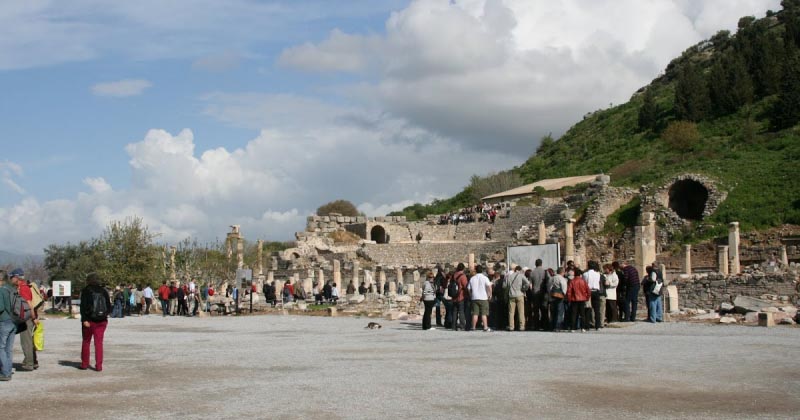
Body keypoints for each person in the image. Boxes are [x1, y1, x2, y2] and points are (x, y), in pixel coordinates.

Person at [80, 273, 111, 371]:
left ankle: (85, 364)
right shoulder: (104, 291)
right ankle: (99, 365)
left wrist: (84, 319)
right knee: (99, 343)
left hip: (89, 320)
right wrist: (104, 315)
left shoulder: (86, 290)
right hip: (102, 321)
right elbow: (109, 306)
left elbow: (83, 306)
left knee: (86, 342)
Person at [11, 269, 38, 371]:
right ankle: (33, 362)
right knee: (29, 340)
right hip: (28, 317)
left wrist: (33, 317)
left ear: (17, 278)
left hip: (27, 318)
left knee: (26, 341)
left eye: (12, 277)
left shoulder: (23, 288)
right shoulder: (22, 287)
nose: (10, 279)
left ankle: (29, 363)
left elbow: (29, 304)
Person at [0, 271, 17, 381]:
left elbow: (0, 307)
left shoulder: (1, 290)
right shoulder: (11, 289)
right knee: (9, 349)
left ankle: (5, 373)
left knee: (0, 347)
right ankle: (8, 370)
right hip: (14, 321)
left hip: (4, 321)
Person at [468, 265, 492, 332]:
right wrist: (490, 294)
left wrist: (471, 295)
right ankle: (485, 327)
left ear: (476, 270)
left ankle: (473, 327)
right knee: (484, 313)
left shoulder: (472, 278)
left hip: (474, 297)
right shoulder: (485, 278)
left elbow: (469, 289)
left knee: (475, 313)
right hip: (483, 297)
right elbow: (489, 287)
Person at [505, 265, 529, 331]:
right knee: (521, 311)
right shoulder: (521, 275)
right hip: (519, 294)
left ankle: (511, 326)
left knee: (511, 312)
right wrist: (523, 289)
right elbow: (527, 283)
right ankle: (521, 326)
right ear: (519, 270)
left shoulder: (509, 276)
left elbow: (505, 286)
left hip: (511, 295)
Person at [567, 268, 590, 332]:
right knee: (582, 314)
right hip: (582, 299)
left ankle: (573, 328)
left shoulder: (572, 281)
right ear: (580, 275)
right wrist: (587, 297)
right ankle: (583, 327)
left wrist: (569, 299)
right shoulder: (583, 281)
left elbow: (569, 291)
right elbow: (588, 290)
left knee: (574, 314)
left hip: (574, 299)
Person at [529, 259, 549, 331]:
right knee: (544, 309)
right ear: (541, 264)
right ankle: (545, 325)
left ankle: (536, 326)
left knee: (536, 310)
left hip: (535, 293)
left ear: (535, 264)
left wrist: (532, 291)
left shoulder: (532, 272)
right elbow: (548, 282)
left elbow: (530, 284)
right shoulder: (545, 272)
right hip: (543, 293)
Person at [548, 267, 568, 332]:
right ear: (562, 272)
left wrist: (550, 293)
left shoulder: (552, 278)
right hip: (559, 296)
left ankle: (552, 325)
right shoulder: (561, 278)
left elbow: (549, 287)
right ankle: (557, 326)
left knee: (553, 312)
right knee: (559, 311)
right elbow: (564, 287)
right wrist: (564, 294)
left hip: (552, 296)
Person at [451, 264, 469, 331]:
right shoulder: (463, 276)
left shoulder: (454, 275)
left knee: (454, 312)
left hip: (454, 296)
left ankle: (453, 326)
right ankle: (462, 326)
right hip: (461, 296)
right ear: (463, 269)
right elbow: (465, 286)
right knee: (461, 311)